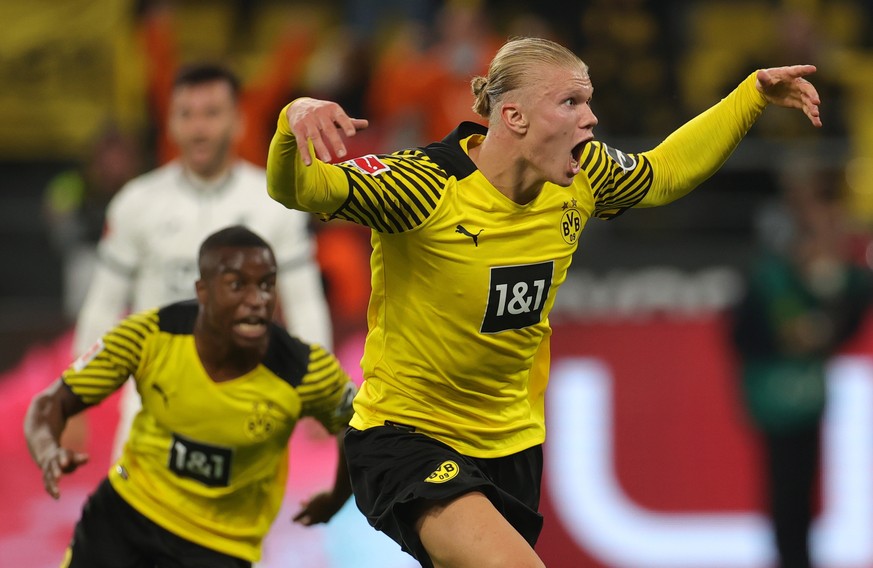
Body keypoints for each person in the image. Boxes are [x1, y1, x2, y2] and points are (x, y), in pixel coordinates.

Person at [265, 36, 823, 568]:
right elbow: (300, 190)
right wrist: (294, 121)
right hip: (407, 438)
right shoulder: (423, 186)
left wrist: (750, 95)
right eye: (571, 101)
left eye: (589, 101)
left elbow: (664, 173)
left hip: (512, 446)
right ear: (514, 117)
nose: (591, 117)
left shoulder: (583, 177)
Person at [24, 226, 356, 568]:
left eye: (267, 285)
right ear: (203, 292)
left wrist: (336, 499)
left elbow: (357, 427)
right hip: (127, 514)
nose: (257, 300)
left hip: (221, 545)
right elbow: (51, 402)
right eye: (237, 285)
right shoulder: (150, 335)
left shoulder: (305, 369)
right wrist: (47, 447)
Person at [74, 62, 332, 461]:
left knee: (236, 524)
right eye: (186, 114)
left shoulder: (276, 204)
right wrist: (77, 396)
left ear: (239, 121)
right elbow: (103, 304)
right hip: (152, 407)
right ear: (170, 123)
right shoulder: (135, 203)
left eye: (211, 113)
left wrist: (319, 390)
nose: (198, 128)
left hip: (245, 406)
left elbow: (304, 302)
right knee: (134, 521)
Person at [731, 168, 873, 568]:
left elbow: (847, 316)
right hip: (780, 398)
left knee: (800, 491)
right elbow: (744, 332)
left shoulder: (836, 278)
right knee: (789, 492)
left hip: (803, 396)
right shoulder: (771, 276)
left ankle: (795, 557)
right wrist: (791, 336)